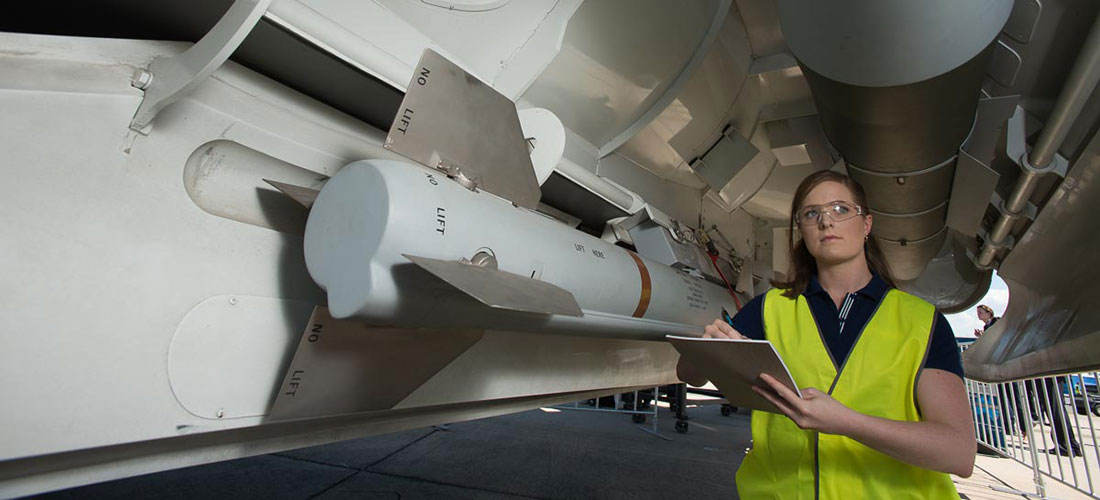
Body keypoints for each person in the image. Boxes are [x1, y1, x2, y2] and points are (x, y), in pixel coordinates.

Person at [677, 170, 975, 499]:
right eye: (811, 213)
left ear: (866, 225)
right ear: (801, 230)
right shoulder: (769, 309)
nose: (826, 221)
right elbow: (689, 375)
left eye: (840, 209)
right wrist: (706, 352)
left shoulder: (922, 321)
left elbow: (958, 453)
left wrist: (848, 422)